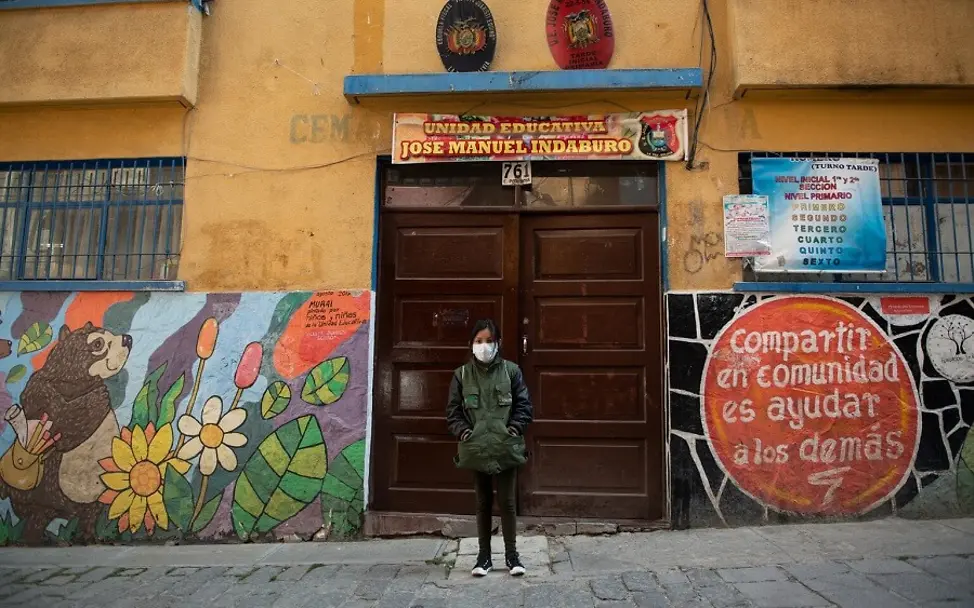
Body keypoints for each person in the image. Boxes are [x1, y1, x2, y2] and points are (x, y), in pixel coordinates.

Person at [447, 319, 533, 577]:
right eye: (478, 341)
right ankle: (483, 557)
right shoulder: (461, 375)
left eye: (489, 341)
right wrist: (464, 432)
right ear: (471, 344)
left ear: (498, 344)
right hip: (477, 448)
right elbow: (452, 412)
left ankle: (512, 555)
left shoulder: (511, 372)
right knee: (482, 502)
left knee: (507, 502)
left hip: (505, 446)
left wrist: (514, 429)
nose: (484, 346)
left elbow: (524, 406)